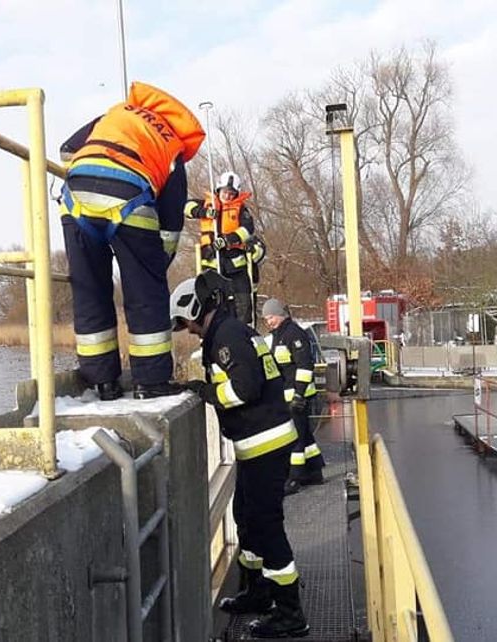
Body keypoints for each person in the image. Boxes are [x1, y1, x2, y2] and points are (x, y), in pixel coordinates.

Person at [170, 273, 309, 638]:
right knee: (243, 515)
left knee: (265, 525)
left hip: (266, 443)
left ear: (196, 309)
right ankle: (258, 592)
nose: (189, 332)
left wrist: (207, 391)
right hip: (258, 444)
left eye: (186, 324)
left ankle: (290, 614)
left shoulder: (227, 336)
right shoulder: (231, 331)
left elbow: (245, 388)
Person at [58, 81, 205, 400]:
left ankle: (102, 381)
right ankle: (150, 382)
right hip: (129, 199)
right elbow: (170, 218)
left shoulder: (115, 114)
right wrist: (158, 261)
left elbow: (66, 150)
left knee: (89, 289)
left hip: (75, 199)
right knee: (145, 294)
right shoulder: (173, 144)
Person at [262, 298, 324, 494]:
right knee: (303, 434)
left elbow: (305, 366)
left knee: (294, 437)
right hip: (288, 396)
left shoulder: (293, 334)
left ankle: (294, 478)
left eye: (270, 317)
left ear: (280, 314)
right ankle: (314, 472)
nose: (268, 322)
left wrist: (299, 394)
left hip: (297, 396)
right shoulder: (279, 335)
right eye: (266, 319)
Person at [185, 171, 261, 325]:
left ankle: (243, 329)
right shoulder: (207, 204)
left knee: (242, 302)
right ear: (218, 190)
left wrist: (227, 240)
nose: (228, 196)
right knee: (212, 302)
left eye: (232, 193)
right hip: (211, 261)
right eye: (225, 192)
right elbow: (187, 207)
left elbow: (247, 229)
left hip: (235, 262)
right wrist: (203, 212)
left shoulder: (241, 210)